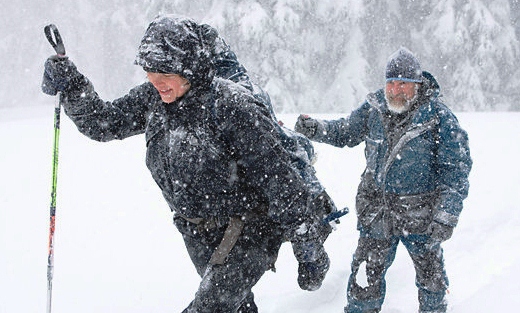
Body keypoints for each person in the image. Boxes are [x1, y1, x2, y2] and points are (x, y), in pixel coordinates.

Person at [42, 15, 334, 312]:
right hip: (195, 228)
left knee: (209, 307)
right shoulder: (154, 98)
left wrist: (307, 246)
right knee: (236, 307)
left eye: (163, 72)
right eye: (148, 72)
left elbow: (280, 179)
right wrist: (71, 82)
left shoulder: (232, 105)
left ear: (188, 67)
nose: (154, 81)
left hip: (251, 225)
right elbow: (104, 122)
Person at [294, 47, 472, 313]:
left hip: (422, 215)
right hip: (377, 212)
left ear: (417, 84)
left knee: (431, 281)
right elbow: (345, 132)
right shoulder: (374, 108)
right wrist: (316, 128)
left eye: (403, 83)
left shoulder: (439, 118)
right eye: (391, 82)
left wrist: (446, 215)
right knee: (364, 282)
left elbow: (455, 173)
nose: (395, 90)